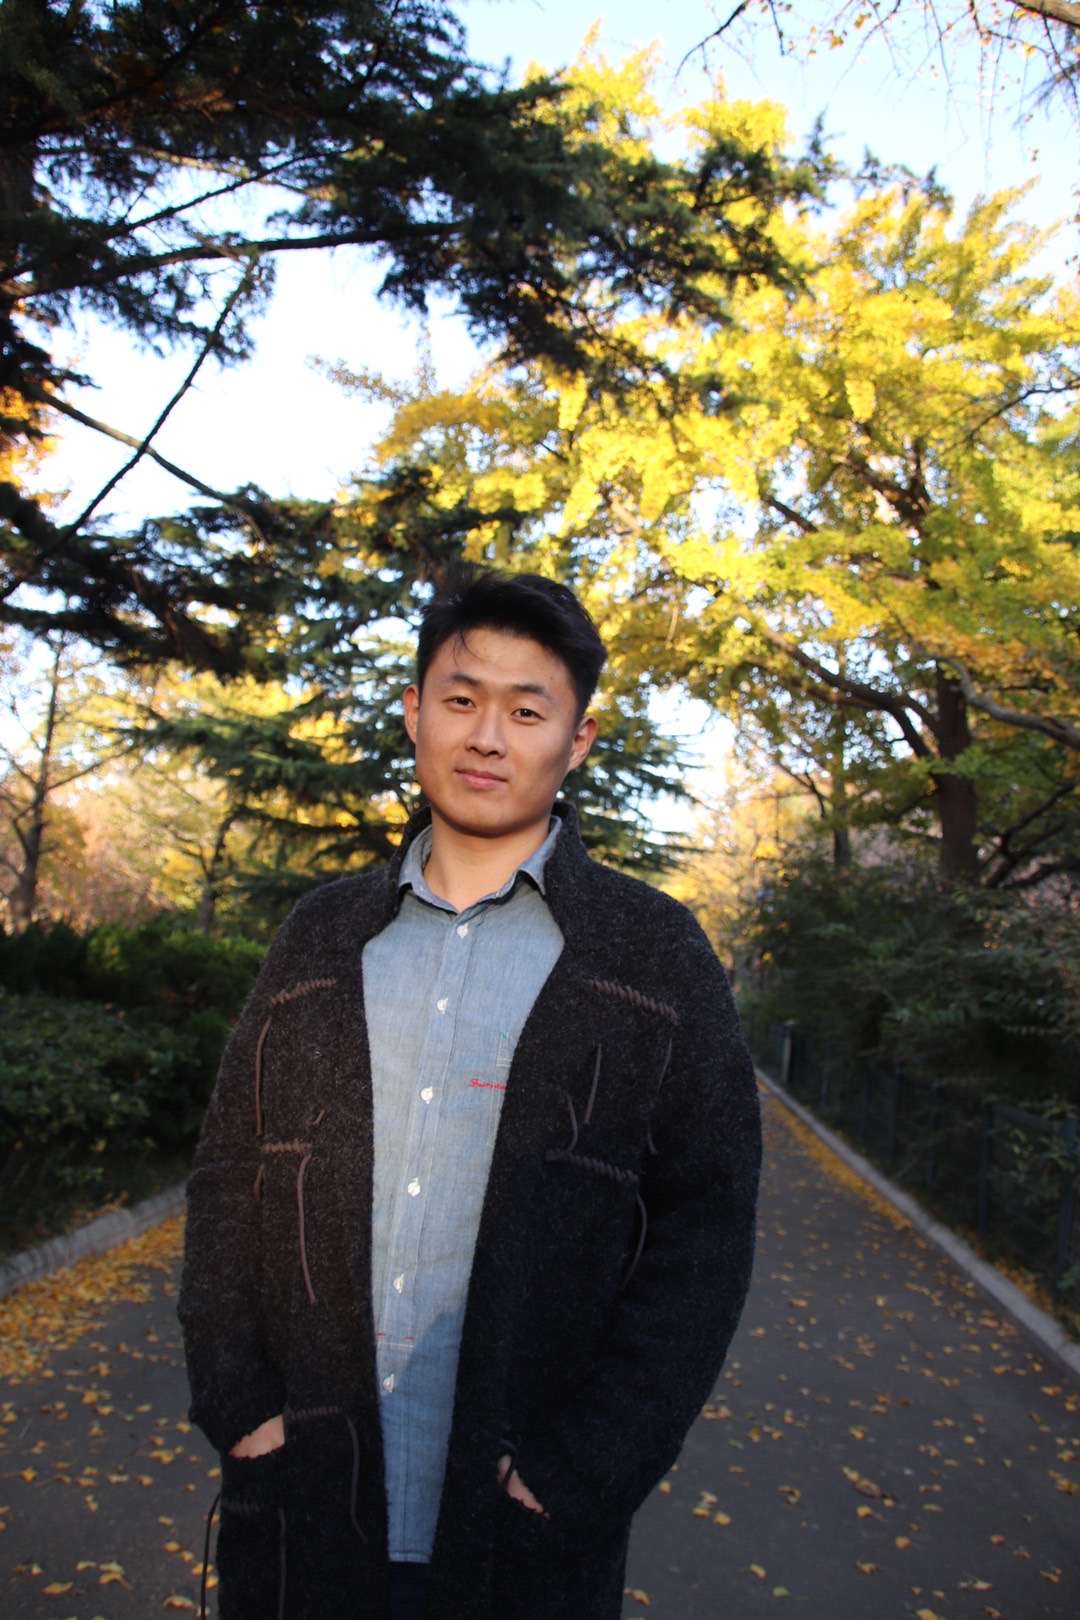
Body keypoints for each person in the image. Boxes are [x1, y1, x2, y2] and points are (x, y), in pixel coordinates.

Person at [178, 569, 762, 1620]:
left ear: (577, 741)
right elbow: (229, 1178)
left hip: (520, 1541)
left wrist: (580, 1472)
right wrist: (238, 1402)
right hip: (303, 1513)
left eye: (527, 711)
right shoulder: (320, 936)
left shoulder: (653, 955)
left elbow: (704, 1237)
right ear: (415, 714)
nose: (488, 737)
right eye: (461, 699)